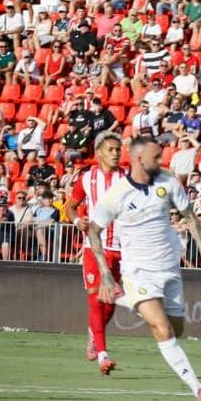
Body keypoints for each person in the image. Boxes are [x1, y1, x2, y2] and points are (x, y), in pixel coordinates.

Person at [87, 136, 201, 401]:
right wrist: (105, 273)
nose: (162, 161)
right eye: (157, 157)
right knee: (161, 329)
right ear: (138, 159)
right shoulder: (117, 194)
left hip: (169, 269)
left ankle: (123, 298)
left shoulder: (168, 182)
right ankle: (198, 388)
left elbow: (189, 216)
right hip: (138, 271)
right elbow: (93, 231)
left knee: (177, 329)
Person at [63, 132, 127, 375]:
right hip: (94, 247)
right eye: (110, 149)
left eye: (118, 149)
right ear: (99, 152)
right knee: (95, 300)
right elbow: (70, 206)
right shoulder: (87, 178)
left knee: (110, 304)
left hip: (121, 249)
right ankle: (103, 355)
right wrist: (77, 219)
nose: (115, 153)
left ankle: (93, 333)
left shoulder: (127, 179)